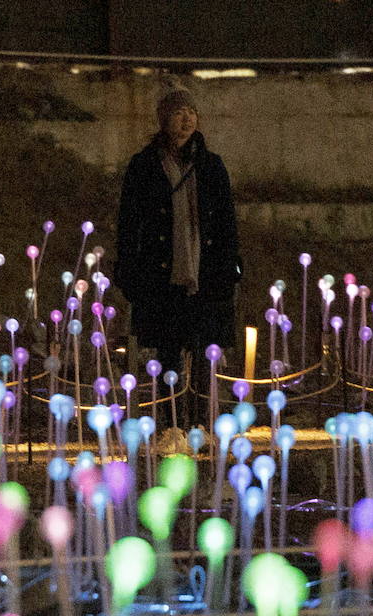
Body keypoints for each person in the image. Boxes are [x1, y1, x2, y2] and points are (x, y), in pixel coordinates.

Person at [113, 83, 241, 429]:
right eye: (177, 113)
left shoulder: (212, 166)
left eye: (191, 113)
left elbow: (227, 221)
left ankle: (201, 421)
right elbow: (129, 222)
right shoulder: (144, 166)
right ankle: (169, 424)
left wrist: (231, 268)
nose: (185, 121)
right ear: (163, 120)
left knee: (204, 353)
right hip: (161, 274)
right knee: (167, 351)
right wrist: (128, 271)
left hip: (206, 271)